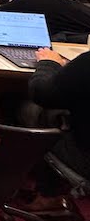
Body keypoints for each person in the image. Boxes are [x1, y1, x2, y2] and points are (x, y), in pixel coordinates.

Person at [27, 47, 90, 183]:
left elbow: (41, 93)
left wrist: (48, 63)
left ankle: (47, 195)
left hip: (84, 160)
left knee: (20, 106)